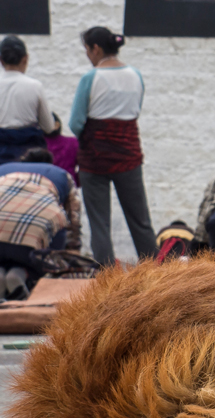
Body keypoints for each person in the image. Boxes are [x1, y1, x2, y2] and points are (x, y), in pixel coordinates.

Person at [69, 26, 156, 266]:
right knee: (140, 220)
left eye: (87, 49)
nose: (88, 55)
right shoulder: (135, 75)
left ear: (95, 48)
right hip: (128, 155)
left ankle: (106, 276)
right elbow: (135, 109)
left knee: (99, 224)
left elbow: (76, 122)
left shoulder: (91, 77)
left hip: (94, 157)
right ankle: (154, 272)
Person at [0, 147, 83, 300]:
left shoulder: (4, 169)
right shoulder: (60, 174)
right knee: (39, 257)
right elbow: (73, 217)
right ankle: (22, 274)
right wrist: (71, 249)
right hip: (30, 240)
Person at [0, 35, 55, 163]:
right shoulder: (35, 86)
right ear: (25, 58)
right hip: (28, 153)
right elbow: (49, 127)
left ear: (1, 60)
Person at [45, 114, 79, 185]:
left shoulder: (34, 145)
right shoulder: (73, 142)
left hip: (42, 186)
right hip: (67, 184)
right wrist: (75, 180)